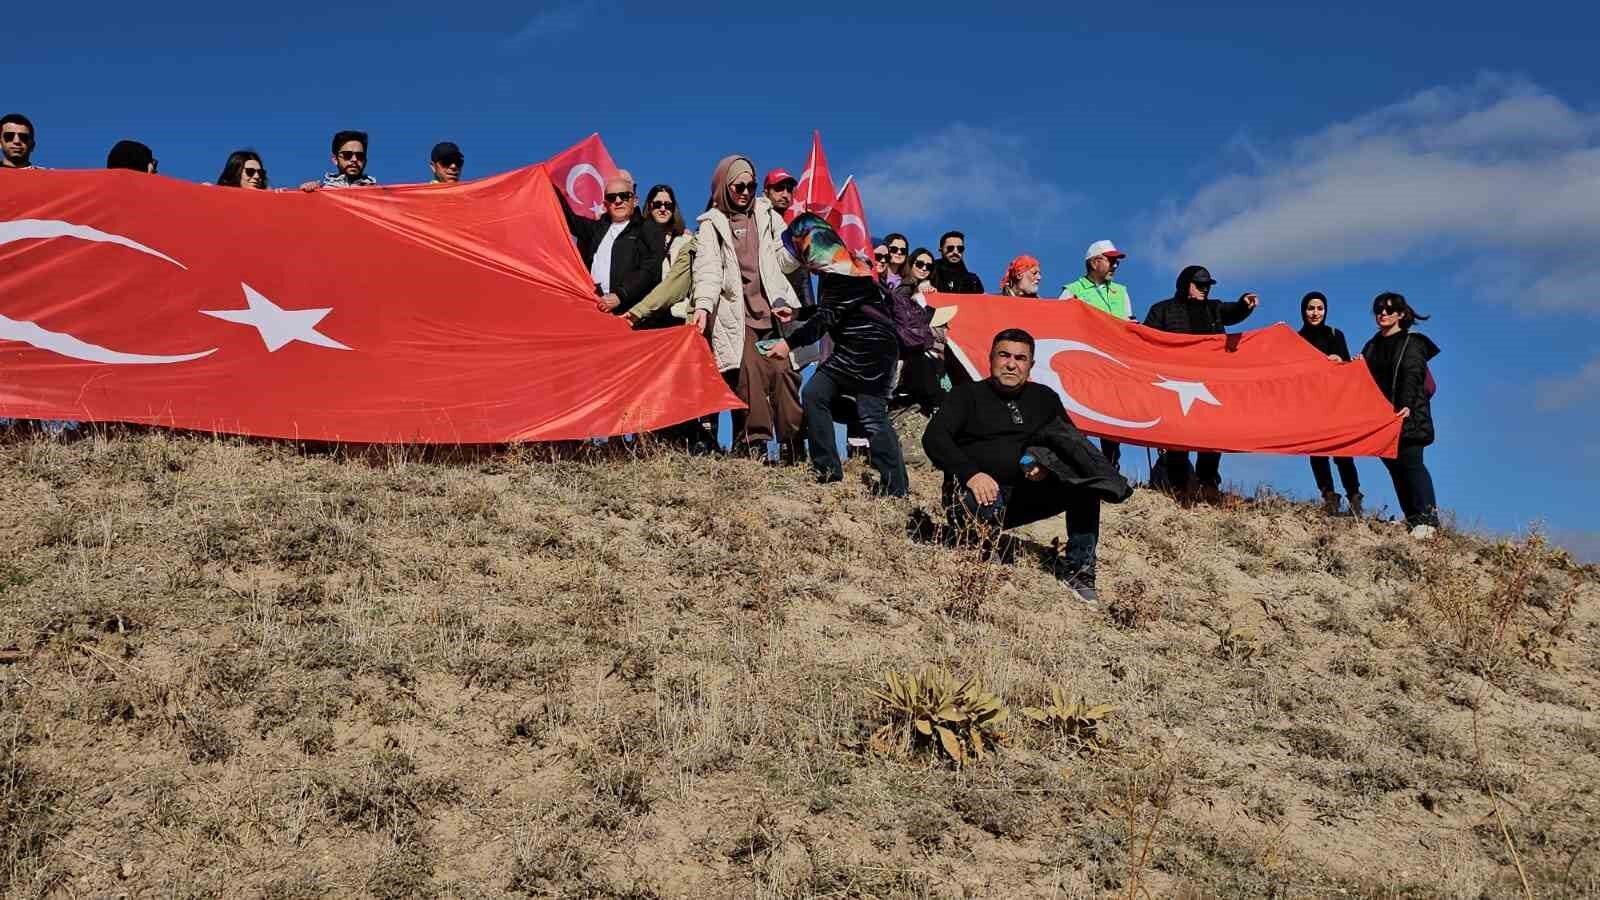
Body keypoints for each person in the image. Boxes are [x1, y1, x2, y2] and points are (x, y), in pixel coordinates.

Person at [923, 328, 1107, 602]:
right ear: (991, 358)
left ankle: (1080, 572)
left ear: (1030, 365)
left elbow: (1069, 444)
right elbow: (935, 438)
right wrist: (971, 474)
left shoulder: (1044, 398)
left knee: (1085, 486)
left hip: (1025, 495)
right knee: (983, 496)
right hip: (972, 495)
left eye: (1020, 358)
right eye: (1004, 355)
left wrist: (1045, 464)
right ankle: (983, 552)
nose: (1011, 363)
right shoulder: (965, 395)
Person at [765, 216, 907, 496]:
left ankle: (895, 487)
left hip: (870, 352)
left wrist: (787, 343)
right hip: (858, 347)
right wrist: (797, 314)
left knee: (871, 416)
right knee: (815, 394)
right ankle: (827, 469)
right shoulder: (842, 265)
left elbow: (826, 319)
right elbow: (835, 309)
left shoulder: (841, 272)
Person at [691, 155, 803, 457]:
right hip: (737, 319)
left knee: (784, 373)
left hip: (773, 314)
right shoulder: (711, 224)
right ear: (724, 186)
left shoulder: (767, 214)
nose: (744, 191)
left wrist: (799, 248)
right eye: (737, 185)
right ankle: (757, 445)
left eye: (750, 185)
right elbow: (709, 270)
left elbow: (783, 259)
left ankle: (792, 444)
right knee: (750, 376)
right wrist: (702, 306)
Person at [1142, 266, 1259, 499]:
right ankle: (1180, 485)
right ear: (1186, 285)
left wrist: (1244, 303)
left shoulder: (1213, 308)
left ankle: (1208, 482)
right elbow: (1147, 341)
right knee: (1178, 435)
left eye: (1208, 286)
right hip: (1175, 383)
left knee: (1212, 432)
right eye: (1200, 285)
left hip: (1210, 382)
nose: (1205, 289)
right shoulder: (1162, 310)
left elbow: (1232, 312)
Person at [1361, 292, 1441, 538]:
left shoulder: (1412, 342)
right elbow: (1361, 377)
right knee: (1395, 468)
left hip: (1409, 414)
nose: (1383, 314)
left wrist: (1405, 405)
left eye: (1389, 310)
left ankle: (1428, 520)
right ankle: (1413, 518)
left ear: (1401, 314)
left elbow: (1412, 374)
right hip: (1382, 418)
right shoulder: (1372, 345)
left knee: (1412, 464)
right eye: (1379, 310)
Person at [1061, 240, 1135, 468]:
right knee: (1081, 417)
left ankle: (1111, 468)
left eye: (1116, 261)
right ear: (1094, 262)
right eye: (1110, 260)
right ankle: (1081, 467)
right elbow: (1057, 325)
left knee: (1111, 417)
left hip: (1113, 365)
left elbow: (1129, 324)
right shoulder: (1072, 290)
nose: (1115, 265)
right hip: (1084, 366)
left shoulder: (1120, 291)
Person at [558, 170, 664, 318]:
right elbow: (569, 219)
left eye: (625, 196)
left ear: (635, 200)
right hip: (594, 311)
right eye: (612, 197)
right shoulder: (597, 229)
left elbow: (652, 268)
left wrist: (621, 295)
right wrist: (550, 187)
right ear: (605, 203)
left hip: (630, 315)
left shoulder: (648, 228)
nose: (618, 201)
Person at [1298, 291, 1363, 516]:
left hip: (1335, 402)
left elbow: (1347, 368)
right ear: (1303, 311)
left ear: (1325, 311)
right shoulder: (1296, 338)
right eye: (1310, 308)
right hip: (1310, 403)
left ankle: (1354, 497)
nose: (1315, 313)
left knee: (1343, 452)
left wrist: (1340, 361)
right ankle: (1328, 496)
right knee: (1317, 452)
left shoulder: (1336, 334)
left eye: (1319, 308)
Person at [620, 184, 692, 328]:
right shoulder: (635, 237)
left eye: (668, 205)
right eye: (658, 204)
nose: (663, 209)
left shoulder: (684, 240)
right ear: (649, 206)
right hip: (640, 315)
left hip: (673, 316)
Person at [763, 169, 814, 308]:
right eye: (779, 188)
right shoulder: (756, 220)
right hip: (764, 303)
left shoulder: (788, 228)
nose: (785, 195)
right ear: (765, 192)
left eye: (789, 190)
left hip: (791, 305)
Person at [300, 130, 376, 190]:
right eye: (347, 155)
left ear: (365, 161)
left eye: (360, 156)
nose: (354, 159)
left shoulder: (377, 195)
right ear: (335, 159)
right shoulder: (321, 191)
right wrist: (305, 195)